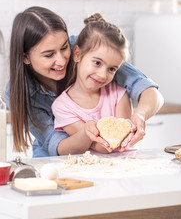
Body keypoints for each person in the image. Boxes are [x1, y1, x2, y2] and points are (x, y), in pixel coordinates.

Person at [5, 6, 164, 157]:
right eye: (49, 55)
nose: (61, 61)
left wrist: (140, 116)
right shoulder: (20, 93)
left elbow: (147, 89)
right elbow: (57, 144)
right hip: (53, 159)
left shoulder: (88, 49)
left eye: (64, 47)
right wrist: (88, 134)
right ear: (25, 57)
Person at [51, 13, 134, 153]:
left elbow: (121, 142)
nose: (102, 74)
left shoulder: (119, 94)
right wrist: (87, 131)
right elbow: (101, 147)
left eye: (112, 69)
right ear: (77, 54)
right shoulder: (62, 106)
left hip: (126, 165)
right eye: (97, 62)